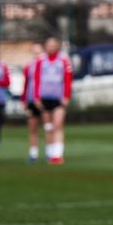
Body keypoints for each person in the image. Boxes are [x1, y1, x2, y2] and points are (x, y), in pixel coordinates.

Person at [32, 37, 72, 166]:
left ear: (57, 46)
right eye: (49, 45)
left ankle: (58, 154)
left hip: (58, 98)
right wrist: (37, 96)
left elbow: (68, 79)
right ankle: (50, 153)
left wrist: (66, 96)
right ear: (46, 47)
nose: (51, 48)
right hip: (45, 97)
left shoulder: (63, 60)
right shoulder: (41, 60)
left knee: (57, 125)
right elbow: (37, 79)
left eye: (53, 45)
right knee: (48, 127)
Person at [19, 41, 43, 162]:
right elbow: (26, 83)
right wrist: (23, 99)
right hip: (31, 100)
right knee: (33, 127)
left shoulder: (46, 65)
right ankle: (33, 154)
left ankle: (53, 153)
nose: (36, 54)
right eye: (34, 52)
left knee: (49, 127)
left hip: (43, 100)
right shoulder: (29, 66)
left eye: (38, 52)